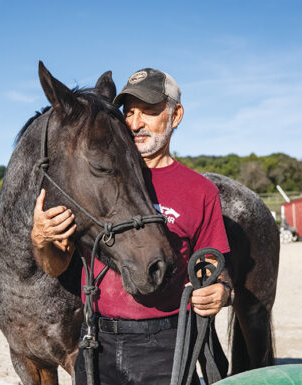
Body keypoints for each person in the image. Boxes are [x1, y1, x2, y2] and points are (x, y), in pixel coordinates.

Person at [31, 68, 233, 385]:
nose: (135, 123)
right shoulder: (95, 180)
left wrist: (221, 290)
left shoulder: (200, 191)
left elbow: (211, 263)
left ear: (175, 114)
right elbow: (55, 267)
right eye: (129, 112)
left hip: (165, 342)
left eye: (149, 112)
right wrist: (42, 240)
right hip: (96, 338)